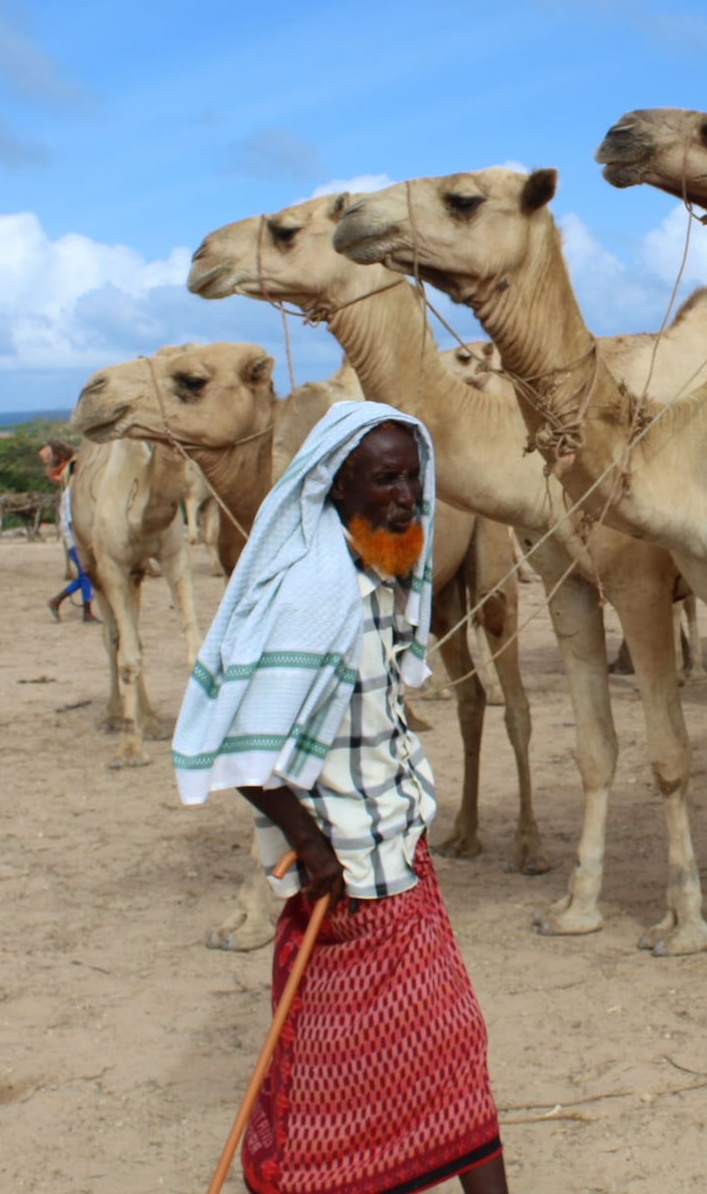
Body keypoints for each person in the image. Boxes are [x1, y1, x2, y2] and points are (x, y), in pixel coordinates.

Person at [171, 402, 507, 1194]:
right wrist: (312, 848)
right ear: (336, 484)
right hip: (343, 888)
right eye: (385, 479)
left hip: (403, 858)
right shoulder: (313, 594)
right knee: (330, 1088)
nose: (404, 497)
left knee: (455, 1044)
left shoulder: (384, 570)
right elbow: (248, 750)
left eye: (413, 480)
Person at [40, 440, 97, 624]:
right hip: (76, 540)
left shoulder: (71, 492)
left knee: (86, 575)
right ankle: (71, 606)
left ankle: (61, 602)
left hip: (75, 539)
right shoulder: (72, 493)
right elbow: (73, 521)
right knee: (86, 575)